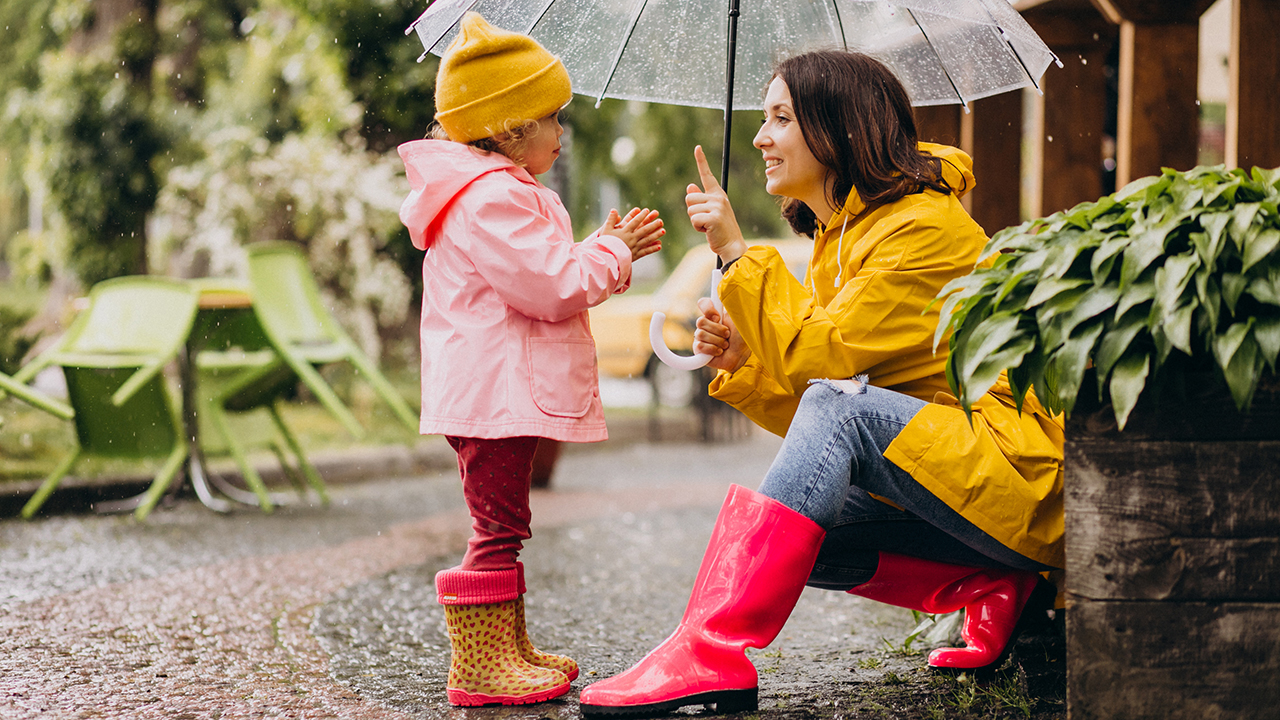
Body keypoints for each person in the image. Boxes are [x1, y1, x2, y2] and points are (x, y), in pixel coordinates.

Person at [579, 50, 1063, 716]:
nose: (759, 137)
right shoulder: (848, 235)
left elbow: (826, 372)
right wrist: (744, 366)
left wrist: (737, 256)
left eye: (781, 118)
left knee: (831, 434)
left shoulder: (921, 229)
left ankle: (709, 648)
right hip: (964, 478)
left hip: (1018, 470)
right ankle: (990, 584)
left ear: (837, 129)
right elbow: (823, 412)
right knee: (807, 532)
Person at [396, 12, 664, 708]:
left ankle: (505, 647)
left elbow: (543, 271)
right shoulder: (490, 198)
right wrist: (616, 252)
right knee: (498, 529)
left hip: (497, 388)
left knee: (505, 524)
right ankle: (478, 667)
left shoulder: (495, 193)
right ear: (511, 129)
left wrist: (597, 243)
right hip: (495, 393)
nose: (561, 131)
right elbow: (552, 287)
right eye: (552, 117)